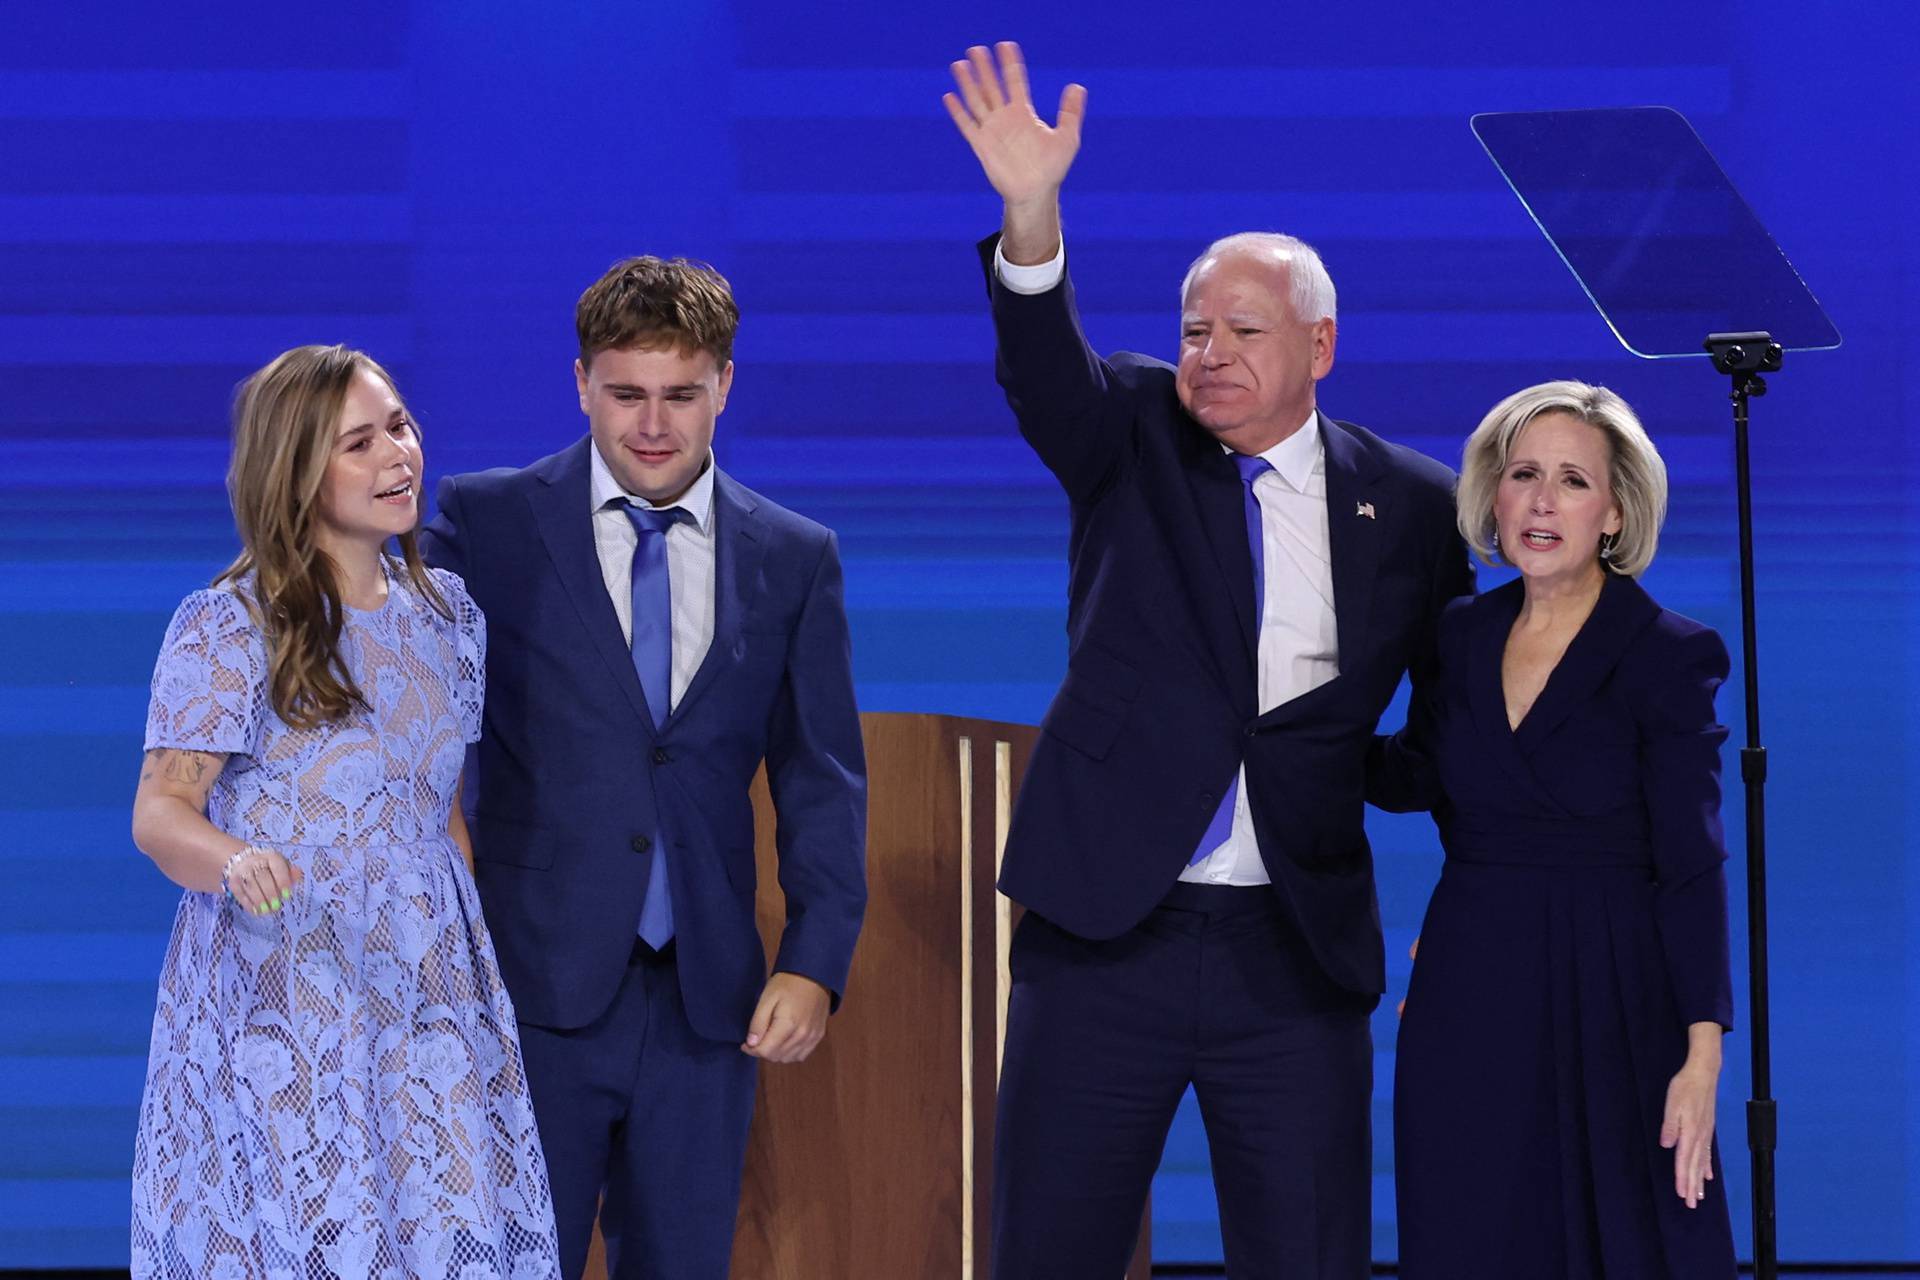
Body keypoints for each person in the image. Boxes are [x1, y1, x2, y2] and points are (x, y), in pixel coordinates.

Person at [942, 42, 1474, 1278]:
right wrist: (1031, 214)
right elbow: (1040, 370)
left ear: (1321, 345)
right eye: (1194, 328)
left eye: (1243, 328)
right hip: (1104, 935)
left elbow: (1439, 729)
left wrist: (1353, 780)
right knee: (1050, 1249)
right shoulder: (1132, 432)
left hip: (1292, 952)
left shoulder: (1413, 505)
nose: (1210, 352)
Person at [419, 256, 867, 1280]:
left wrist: (814, 959)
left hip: (705, 1002)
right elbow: (402, 695)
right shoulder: (487, 524)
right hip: (528, 983)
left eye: (681, 394)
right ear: (581, 383)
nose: (652, 424)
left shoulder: (795, 555)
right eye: (626, 394)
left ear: (725, 386)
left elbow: (821, 775)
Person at [129, 345, 561, 1279]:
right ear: (297, 472)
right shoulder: (230, 622)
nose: (397, 456)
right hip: (285, 988)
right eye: (358, 444)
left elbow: (440, 811)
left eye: (399, 427)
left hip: (425, 985)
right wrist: (235, 860)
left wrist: (462, 963)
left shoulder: (450, 616)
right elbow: (162, 811)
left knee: (440, 1234)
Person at [1370, 381, 1737, 1276]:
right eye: (1523, 473)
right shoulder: (1459, 634)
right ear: (1491, 495)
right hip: (1472, 983)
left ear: (1614, 513)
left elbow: (1692, 861)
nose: (1541, 500)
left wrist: (1702, 1058)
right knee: (1471, 1229)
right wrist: (1282, 730)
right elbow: (1416, 774)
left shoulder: (1668, 652)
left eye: (1574, 481)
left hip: (1616, 988)